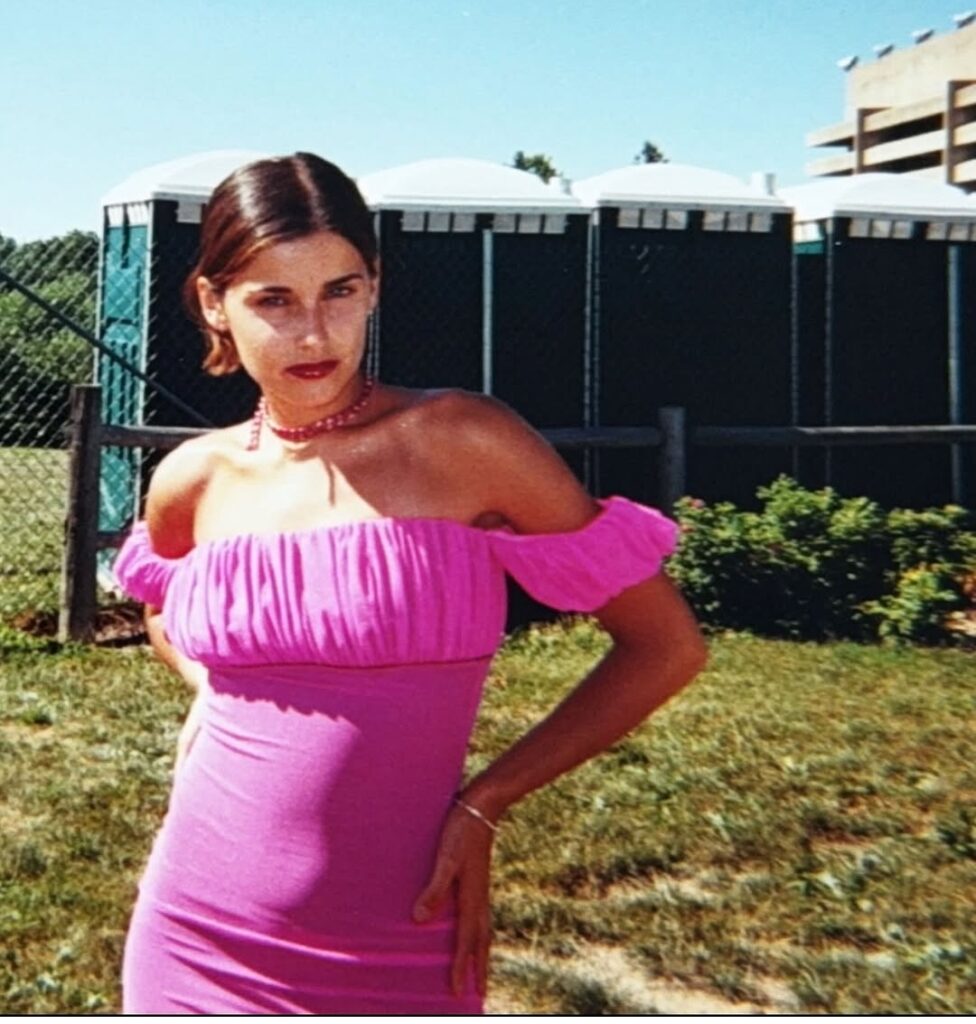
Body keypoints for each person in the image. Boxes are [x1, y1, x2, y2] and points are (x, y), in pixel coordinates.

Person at [113, 151, 708, 1014]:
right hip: (196, 929)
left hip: (404, 926)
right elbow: (163, 606)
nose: (313, 334)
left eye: (339, 291)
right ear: (214, 303)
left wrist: (488, 800)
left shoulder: (464, 440)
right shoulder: (193, 479)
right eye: (273, 300)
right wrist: (212, 688)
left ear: (375, 287)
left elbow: (665, 647)